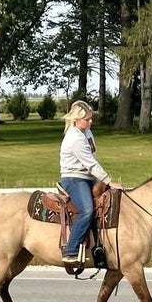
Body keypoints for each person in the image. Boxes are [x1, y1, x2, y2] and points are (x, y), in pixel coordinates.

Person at [57, 100, 122, 266]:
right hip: (74, 178)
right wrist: (108, 181)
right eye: (87, 119)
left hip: (87, 177)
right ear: (76, 120)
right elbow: (91, 164)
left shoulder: (86, 133)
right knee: (86, 210)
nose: (90, 121)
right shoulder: (74, 138)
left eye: (91, 118)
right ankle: (71, 250)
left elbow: (92, 160)